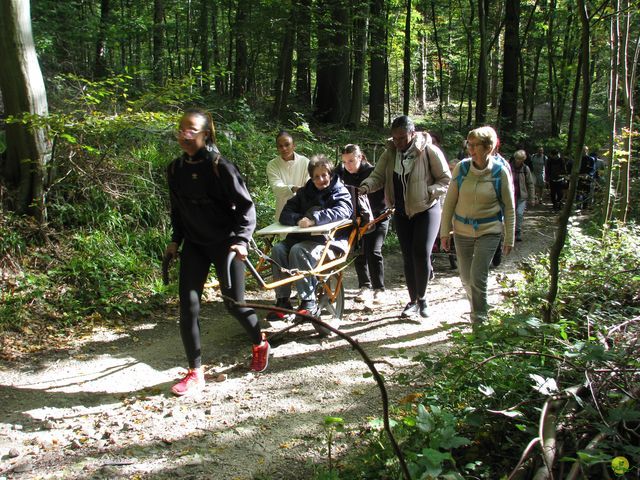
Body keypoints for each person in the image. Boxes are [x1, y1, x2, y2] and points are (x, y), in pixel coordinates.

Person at [165, 108, 270, 397]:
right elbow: (178, 210)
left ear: (205, 134)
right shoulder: (175, 169)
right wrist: (175, 240)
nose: (184, 135)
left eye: (191, 130)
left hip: (225, 245)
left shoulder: (221, 166)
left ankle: (260, 341)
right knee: (188, 307)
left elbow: (246, 207)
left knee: (233, 304)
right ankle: (195, 372)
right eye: (181, 129)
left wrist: (241, 241)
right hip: (195, 246)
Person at [359, 116, 451, 318]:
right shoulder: (390, 153)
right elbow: (378, 176)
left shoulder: (428, 151)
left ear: (412, 133)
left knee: (421, 253)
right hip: (401, 212)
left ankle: (423, 298)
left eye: (402, 138)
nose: (398, 142)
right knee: (408, 257)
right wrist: (365, 187)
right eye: (394, 138)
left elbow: (445, 179)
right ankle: (413, 301)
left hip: (427, 209)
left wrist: (429, 191)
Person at [440, 126, 515, 325]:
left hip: (489, 230)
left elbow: (509, 207)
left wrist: (509, 237)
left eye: (475, 145)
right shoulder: (462, 168)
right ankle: (477, 307)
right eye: (469, 145)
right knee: (465, 278)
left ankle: (479, 322)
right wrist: (444, 232)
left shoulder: (500, 172)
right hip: (462, 231)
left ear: (488, 147)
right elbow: (449, 202)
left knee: (478, 276)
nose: (470, 149)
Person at [269, 155, 353, 320]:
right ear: (311, 178)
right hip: (301, 238)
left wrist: (314, 219)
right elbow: (285, 213)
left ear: (330, 174)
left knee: (298, 251)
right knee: (278, 250)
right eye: (316, 176)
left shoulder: (339, 190)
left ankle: (308, 302)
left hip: (330, 241)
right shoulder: (304, 192)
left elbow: (343, 211)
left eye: (324, 175)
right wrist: (298, 220)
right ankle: (283, 301)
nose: (321, 179)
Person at [336, 144, 389, 304]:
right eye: (345, 162)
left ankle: (379, 289)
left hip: (378, 217)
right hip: (356, 220)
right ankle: (364, 286)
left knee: (373, 251)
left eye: (351, 161)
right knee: (359, 252)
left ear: (360, 157)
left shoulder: (373, 172)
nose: (348, 165)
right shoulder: (341, 172)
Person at [266, 131, 310, 221]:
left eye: (287, 144)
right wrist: (294, 188)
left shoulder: (305, 162)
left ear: (294, 145)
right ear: (277, 148)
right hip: (283, 211)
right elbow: (276, 187)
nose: (284, 148)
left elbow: (310, 183)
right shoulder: (273, 165)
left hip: (304, 210)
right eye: (280, 146)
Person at [510, 150, 535, 242]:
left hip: (522, 196)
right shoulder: (508, 167)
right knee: (511, 214)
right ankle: (511, 231)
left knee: (519, 213)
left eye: (521, 159)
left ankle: (518, 231)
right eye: (518, 158)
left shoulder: (525, 169)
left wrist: (532, 198)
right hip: (510, 195)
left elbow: (530, 184)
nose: (519, 161)